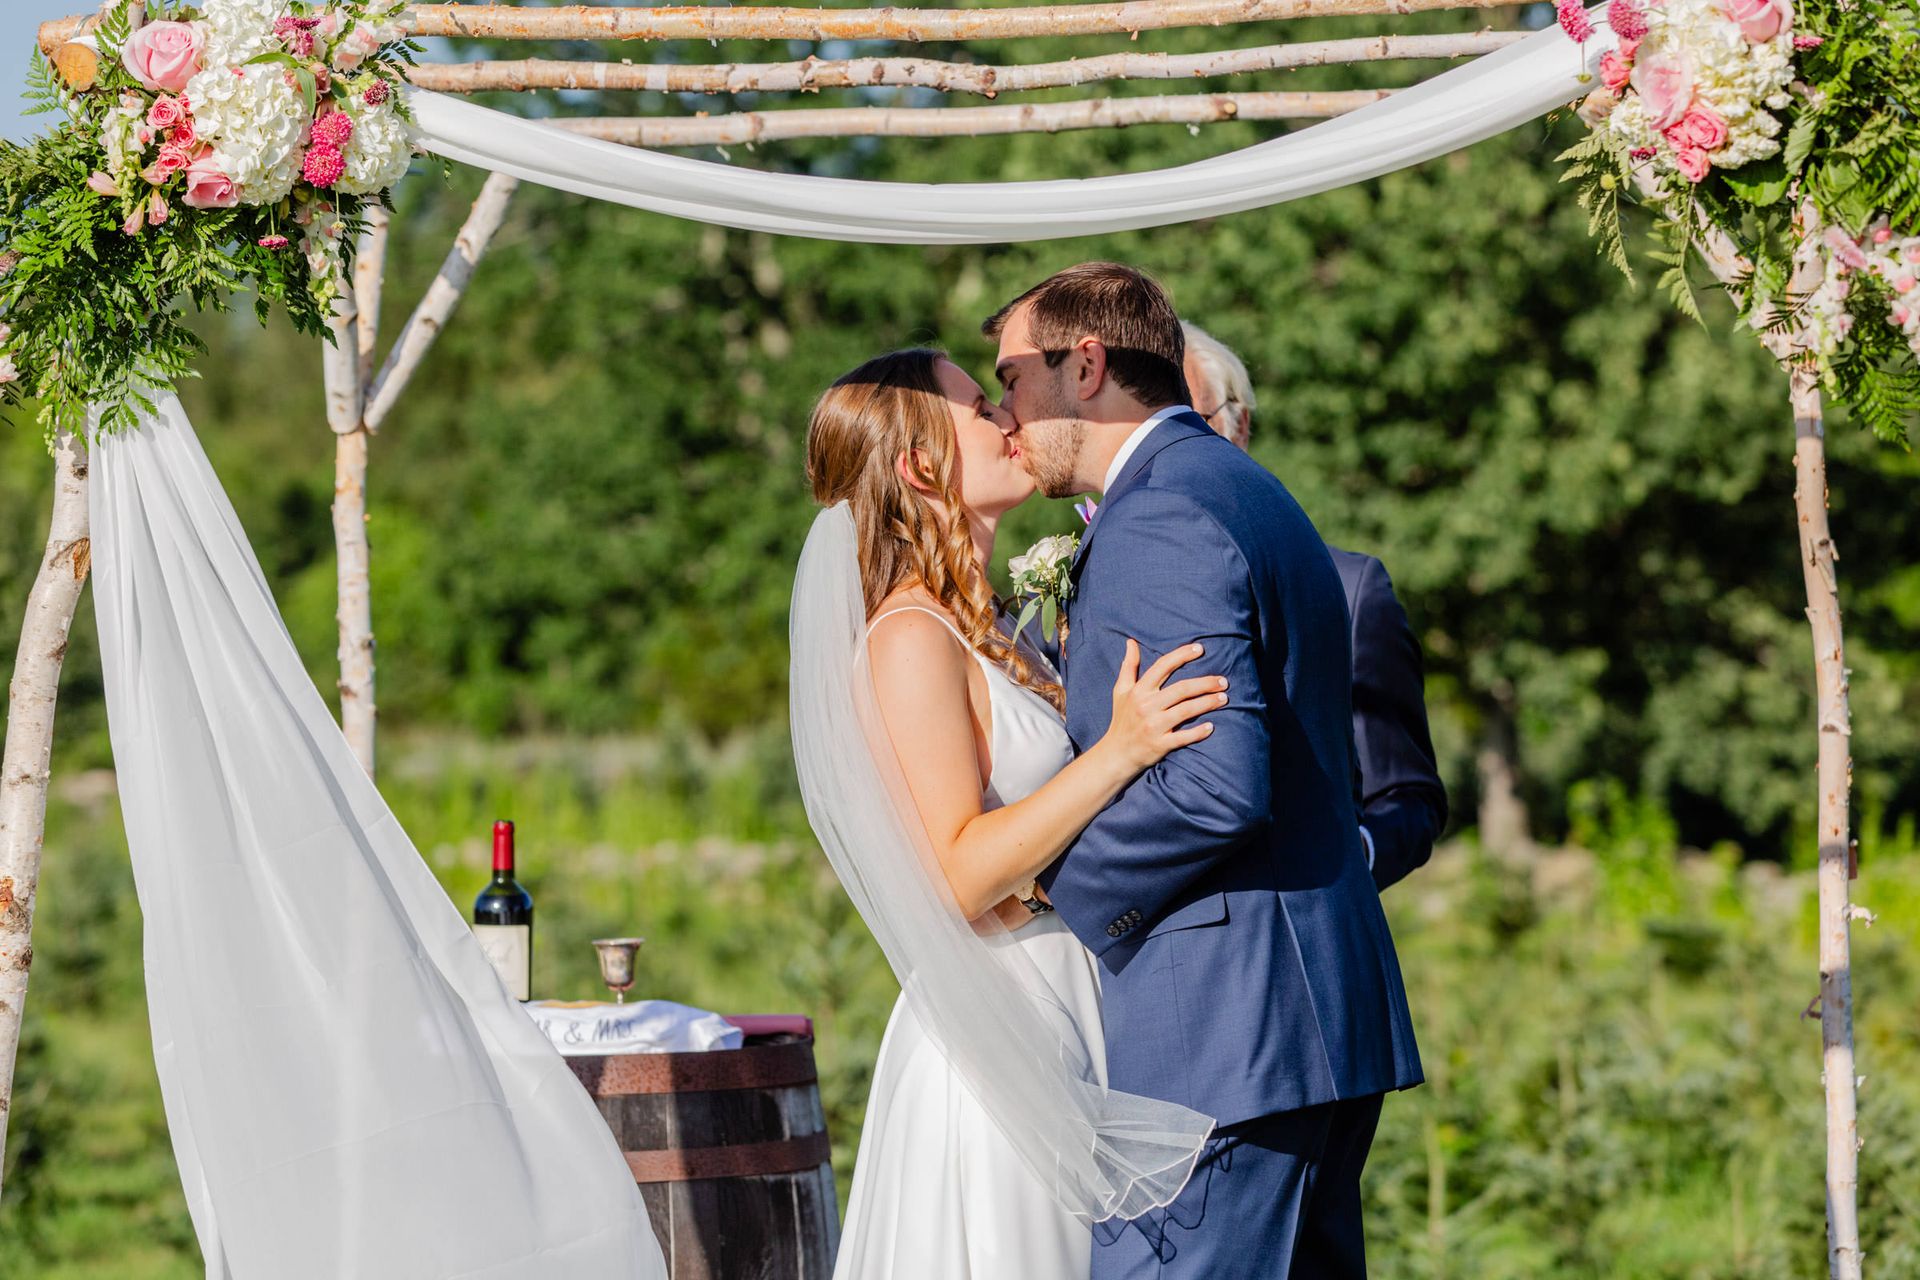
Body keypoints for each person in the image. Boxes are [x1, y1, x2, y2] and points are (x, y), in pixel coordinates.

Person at [985, 264, 1423, 1278]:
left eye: (1011, 373)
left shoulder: (1160, 515)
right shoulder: (1240, 486)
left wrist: (1054, 884)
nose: (1004, 404)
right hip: (1299, 1024)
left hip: (1222, 1034)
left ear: (1085, 364)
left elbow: (1217, 786)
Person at [793, 348, 1219, 1280]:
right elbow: (955, 874)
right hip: (998, 1036)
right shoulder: (910, 638)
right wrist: (1120, 751)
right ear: (921, 466)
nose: (1010, 418)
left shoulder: (977, 624)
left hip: (1063, 994)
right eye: (983, 408)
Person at [1181, 321, 1448, 890]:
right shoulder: (1089, 591)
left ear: (1239, 425)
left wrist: (1355, 854)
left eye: (1188, 422)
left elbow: (1408, 794)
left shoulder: (1351, 590)